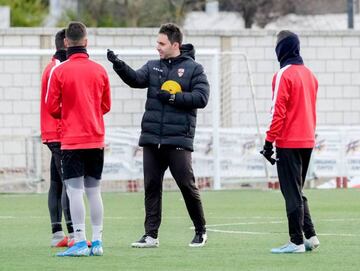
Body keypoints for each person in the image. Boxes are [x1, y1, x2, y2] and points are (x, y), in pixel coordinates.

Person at [107, 23, 209, 248]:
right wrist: (118, 65)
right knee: (152, 186)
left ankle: (201, 230)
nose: (157, 48)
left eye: (161, 44)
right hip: (152, 138)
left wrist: (172, 98)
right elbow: (135, 79)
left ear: (175, 45)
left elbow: (201, 98)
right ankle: (151, 235)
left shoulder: (195, 69)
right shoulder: (153, 67)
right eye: (157, 43)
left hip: (178, 139)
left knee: (186, 184)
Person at [46, 21, 111, 256]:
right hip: (95, 138)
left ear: (66, 43)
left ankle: (81, 242)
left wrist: (72, 111)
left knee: (74, 191)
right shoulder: (100, 70)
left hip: (72, 140)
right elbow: (106, 105)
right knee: (94, 191)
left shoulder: (60, 71)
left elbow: (52, 108)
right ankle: (98, 242)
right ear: (86, 42)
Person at [260, 30, 320, 253]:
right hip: (307, 140)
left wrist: (268, 142)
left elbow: (278, 112)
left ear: (282, 48)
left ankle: (296, 241)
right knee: (296, 190)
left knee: (291, 192)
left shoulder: (283, 74)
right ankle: (311, 235)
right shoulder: (310, 74)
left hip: (288, 141)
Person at [40, 29, 74, 247]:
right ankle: (72, 234)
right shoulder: (58, 68)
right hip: (60, 134)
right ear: (66, 42)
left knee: (57, 183)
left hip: (54, 133)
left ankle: (56, 234)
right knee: (69, 183)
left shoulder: (53, 66)